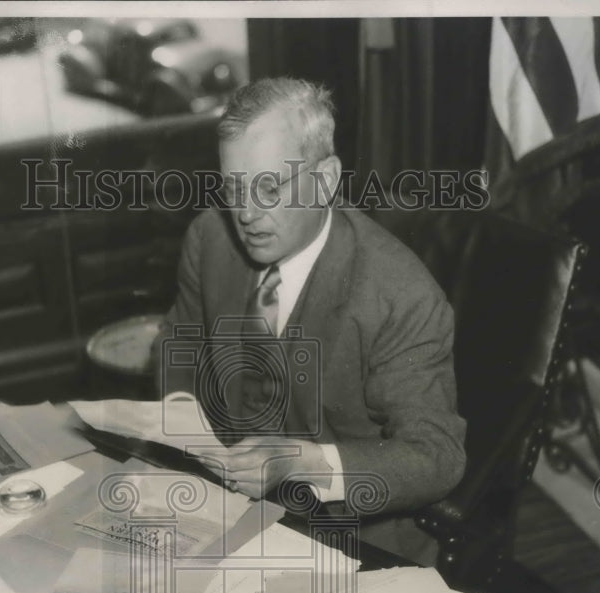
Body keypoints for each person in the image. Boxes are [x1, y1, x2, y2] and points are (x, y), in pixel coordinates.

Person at [154, 77, 465, 564]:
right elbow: (179, 341)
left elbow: (436, 456)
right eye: (233, 188)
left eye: (269, 187)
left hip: (352, 538)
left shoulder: (400, 295)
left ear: (325, 179)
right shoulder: (210, 238)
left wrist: (305, 462)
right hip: (228, 506)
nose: (246, 214)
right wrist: (183, 419)